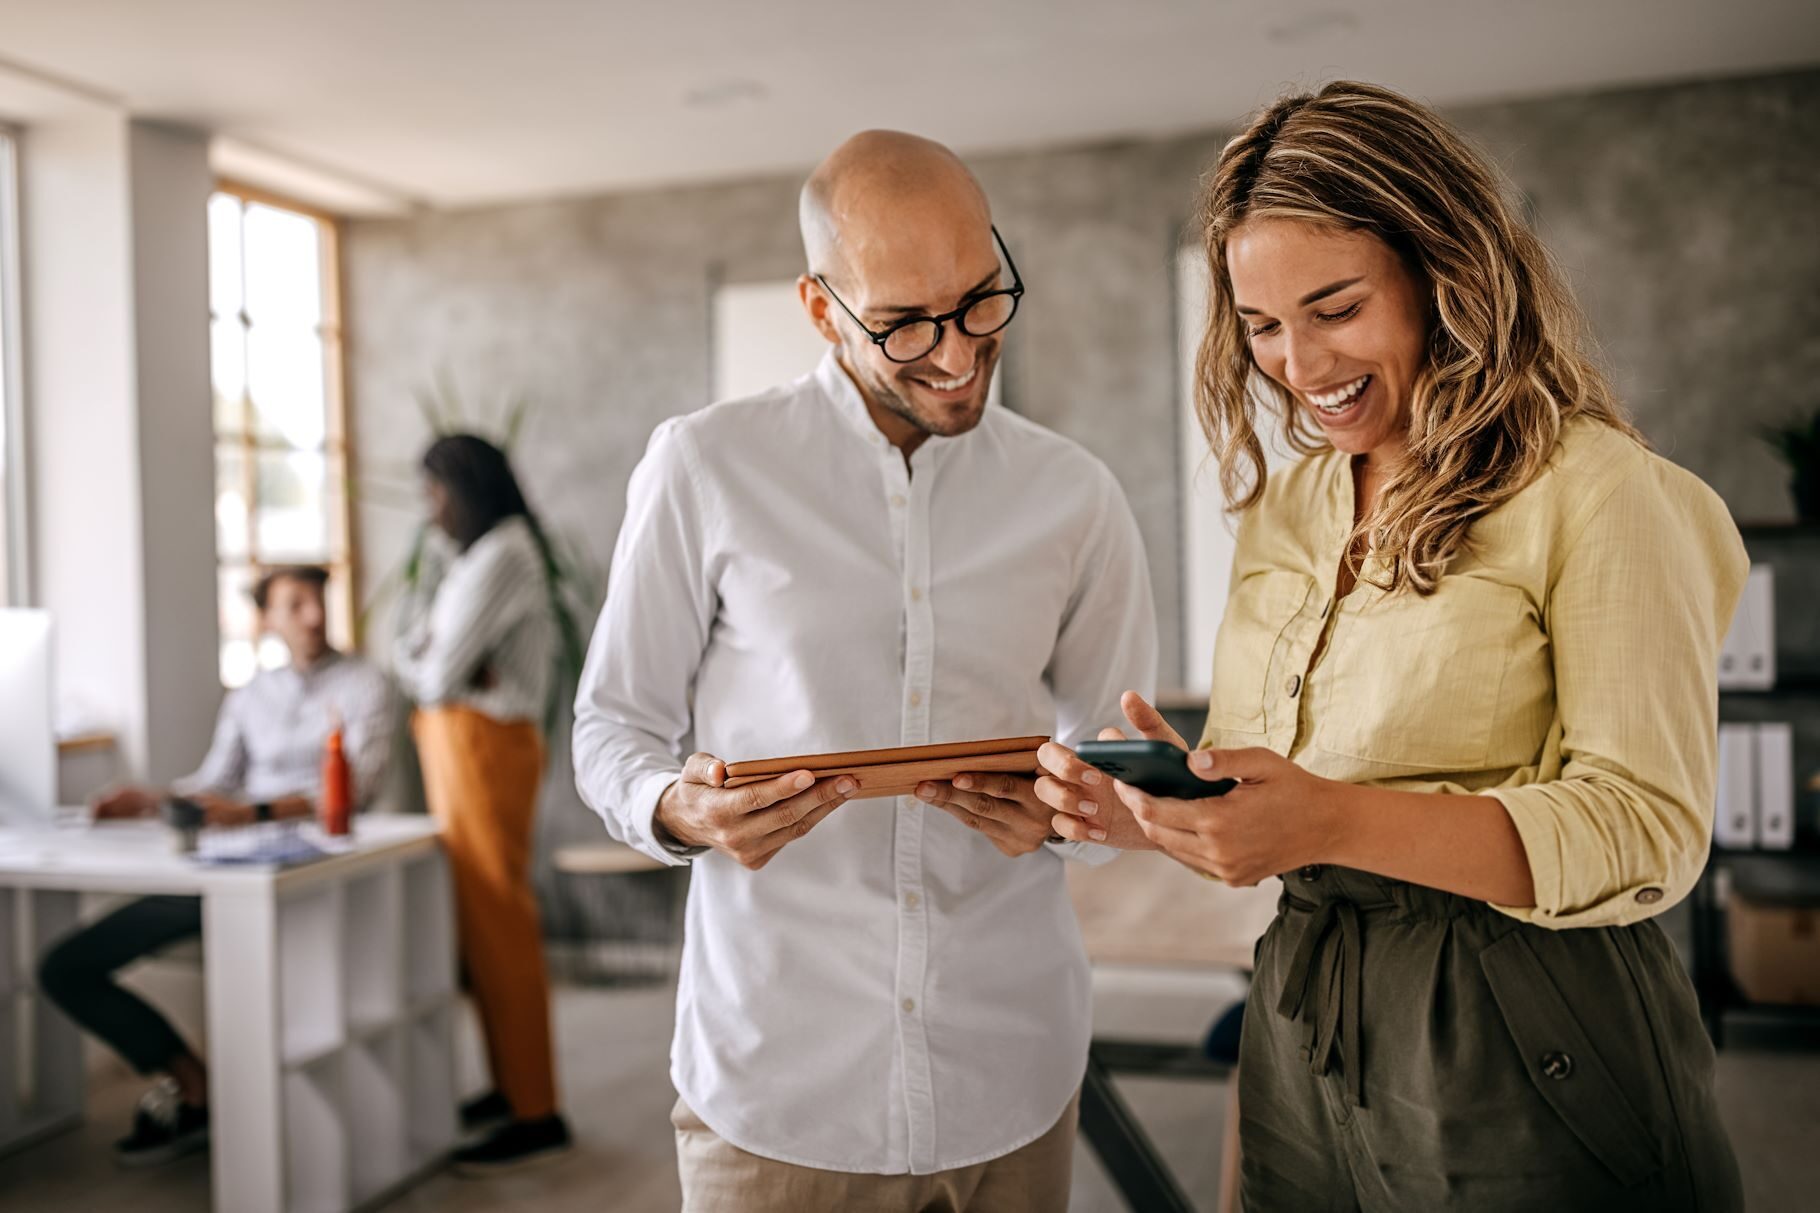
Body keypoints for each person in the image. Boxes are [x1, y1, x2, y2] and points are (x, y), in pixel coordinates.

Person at [1038, 81, 1747, 1211]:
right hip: (1302, 1014)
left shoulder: (1597, 490)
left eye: (1334, 308)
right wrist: (1148, 813)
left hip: (1525, 1021)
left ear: (1443, 274)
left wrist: (1329, 820)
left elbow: (1643, 826)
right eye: (1262, 325)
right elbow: (1280, 795)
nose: (1297, 362)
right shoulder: (1286, 508)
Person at [573, 131, 1157, 1211]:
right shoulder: (705, 466)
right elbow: (612, 726)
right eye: (903, 323)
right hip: (780, 1084)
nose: (957, 352)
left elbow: (1114, 754)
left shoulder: (1076, 496)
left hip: (1011, 1069)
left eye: (980, 300)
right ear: (819, 308)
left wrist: (1084, 808)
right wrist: (678, 808)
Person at [39, 565, 392, 1166]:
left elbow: (356, 790)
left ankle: (263, 1125)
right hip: (231, 870)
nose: (313, 616)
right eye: (296, 604)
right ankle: (193, 1084)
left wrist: (252, 811)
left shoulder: (366, 684)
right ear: (267, 618)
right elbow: (213, 783)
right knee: (66, 967)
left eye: (318, 601)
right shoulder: (250, 695)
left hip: (312, 874)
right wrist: (151, 800)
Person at [393, 432, 571, 1173]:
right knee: (480, 925)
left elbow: (431, 674)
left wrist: (428, 660)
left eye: (436, 492)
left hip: (485, 749)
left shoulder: (502, 554)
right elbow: (419, 651)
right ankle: (510, 1088)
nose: (430, 509)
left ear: (465, 488)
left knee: (500, 921)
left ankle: (536, 1110)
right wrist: (431, 658)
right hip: (464, 747)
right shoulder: (472, 558)